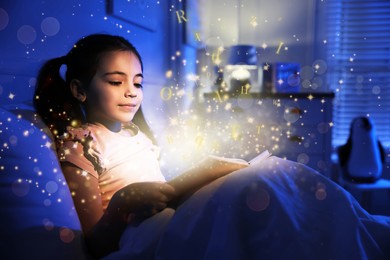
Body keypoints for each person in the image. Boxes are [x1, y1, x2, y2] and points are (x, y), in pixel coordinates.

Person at [34, 34, 176, 258]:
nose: (131, 91)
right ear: (80, 90)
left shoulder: (139, 137)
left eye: (137, 82)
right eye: (116, 82)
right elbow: (95, 243)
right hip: (138, 239)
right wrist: (122, 203)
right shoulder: (82, 145)